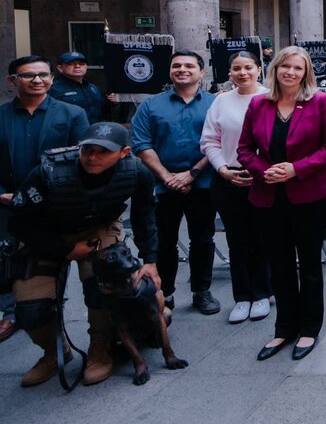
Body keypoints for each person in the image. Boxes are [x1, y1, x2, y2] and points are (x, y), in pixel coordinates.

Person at [8, 122, 158, 386]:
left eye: (103, 151)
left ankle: (100, 348)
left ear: (124, 152)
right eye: (87, 149)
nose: (92, 157)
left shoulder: (136, 172)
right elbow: (18, 223)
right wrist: (65, 250)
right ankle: (54, 353)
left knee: (102, 290)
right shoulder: (48, 172)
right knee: (31, 311)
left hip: (97, 229)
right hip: (46, 236)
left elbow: (145, 216)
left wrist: (151, 261)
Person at [238, 47, 326, 361]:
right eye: (285, 66)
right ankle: (284, 329)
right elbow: (244, 149)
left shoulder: (320, 102)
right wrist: (262, 171)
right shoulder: (258, 104)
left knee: (308, 264)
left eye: (297, 68)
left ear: (305, 72)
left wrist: (297, 168)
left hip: (309, 194)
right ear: (275, 69)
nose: (290, 73)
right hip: (268, 195)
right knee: (279, 265)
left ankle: (309, 328)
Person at [0, 55, 89, 346]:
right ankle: (43, 342)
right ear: (12, 81)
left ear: (51, 78)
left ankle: (101, 341)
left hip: (59, 207)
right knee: (20, 276)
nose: (38, 80)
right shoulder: (1, 116)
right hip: (11, 207)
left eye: (43, 74)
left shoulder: (72, 114)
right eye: (29, 76)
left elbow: (83, 160)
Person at [131, 50, 220, 315]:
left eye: (189, 66)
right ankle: (164, 293)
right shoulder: (150, 106)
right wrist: (167, 177)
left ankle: (201, 291)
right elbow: (141, 143)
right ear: (170, 71)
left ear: (201, 72)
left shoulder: (215, 104)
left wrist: (192, 173)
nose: (182, 69)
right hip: (161, 187)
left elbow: (219, 141)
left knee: (203, 239)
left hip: (202, 184)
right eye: (177, 65)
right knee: (164, 242)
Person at [199, 51, 271, 324]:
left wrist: (262, 171)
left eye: (248, 67)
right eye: (236, 68)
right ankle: (242, 297)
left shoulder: (269, 98)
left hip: (262, 178)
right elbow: (209, 141)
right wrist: (222, 170)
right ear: (229, 73)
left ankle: (263, 292)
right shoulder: (220, 102)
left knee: (262, 237)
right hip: (227, 176)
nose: (242, 73)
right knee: (236, 239)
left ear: (258, 70)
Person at [49, 51, 108, 124]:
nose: (77, 66)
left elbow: (102, 112)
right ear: (60, 68)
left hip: (95, 132)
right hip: (68, 132)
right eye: (71, 63)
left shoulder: (93, 88)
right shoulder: (53, 89)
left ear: (86, 67)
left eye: (81, 63)